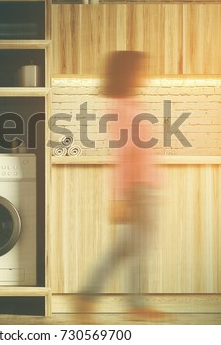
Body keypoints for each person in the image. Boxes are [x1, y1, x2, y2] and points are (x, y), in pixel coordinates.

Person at [77, 50, 163, 321]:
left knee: (128, 247)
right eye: (140, 69)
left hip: (143, 186)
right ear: (128, 73)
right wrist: (119, 197)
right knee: (136, 247)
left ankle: (90, 296)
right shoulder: (122, 107)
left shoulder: (128, 104)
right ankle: (132, 303)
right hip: (138, 188)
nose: (144, 75)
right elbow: (125, 155)